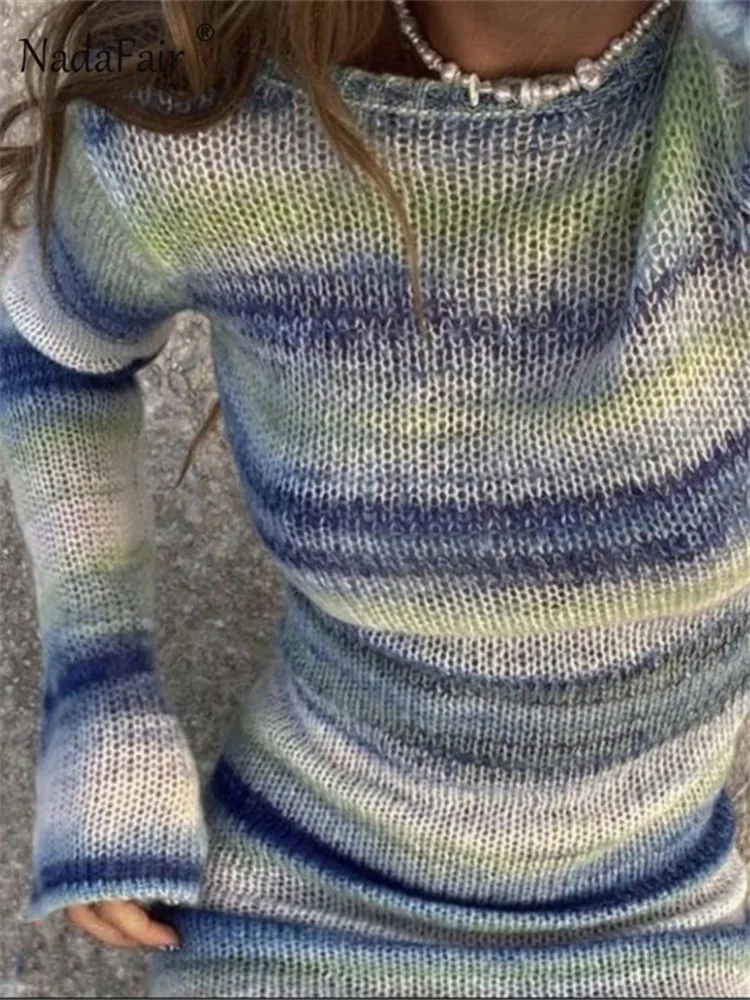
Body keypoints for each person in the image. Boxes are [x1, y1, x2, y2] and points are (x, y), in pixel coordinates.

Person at [0, 0, 749, 996]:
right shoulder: (200, 130)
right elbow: (57, 352)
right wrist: (99, 696)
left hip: (665, 910)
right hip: (304, 893)